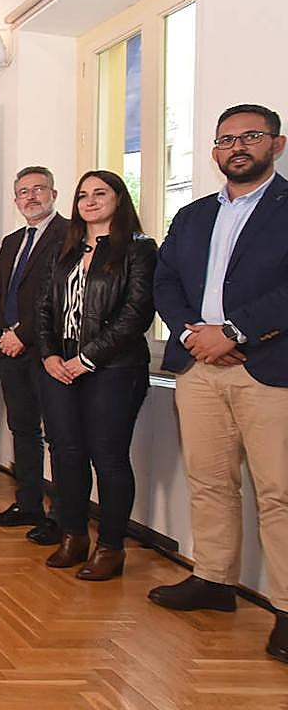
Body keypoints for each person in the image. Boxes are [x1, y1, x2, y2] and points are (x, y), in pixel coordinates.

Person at [149, 103, 288, 664]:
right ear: (213, 153)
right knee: (208, 481)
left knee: (279, 492)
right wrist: (192, 336)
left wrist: (233, 333)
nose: (237, 147)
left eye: (250, 136)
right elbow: (165, 281)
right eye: (226, 139)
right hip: (198, 368)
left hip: (268, 368)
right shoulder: (193, 214)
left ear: (276, 144)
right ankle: (213, 579)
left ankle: (285, 606)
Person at [35, 169, 155, 581]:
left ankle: (110, 546)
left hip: (114, 368)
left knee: (108, 457)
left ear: (119, 199)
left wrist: (87, 359)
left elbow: (136, 313)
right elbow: (45, 309)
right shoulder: (64, 250)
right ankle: (73, 535)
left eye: (99, 193)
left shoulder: (138, 249)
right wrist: (50, 356)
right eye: (83, 194)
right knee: (66, 454)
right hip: (59, 366)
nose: (89, 200)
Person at [0, 166, 69, 544]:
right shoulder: (12, 240)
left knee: (59, 435)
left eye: (38, 189)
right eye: (23, 191)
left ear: (54, 193)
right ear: (15, 199)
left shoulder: (69, 235)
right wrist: (5, 333)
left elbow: (57, 296)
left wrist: (22, 334)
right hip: (10, 351)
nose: (31, 197)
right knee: (23, 431)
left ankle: (62, 516)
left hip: (47, 351)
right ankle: (28, 503)